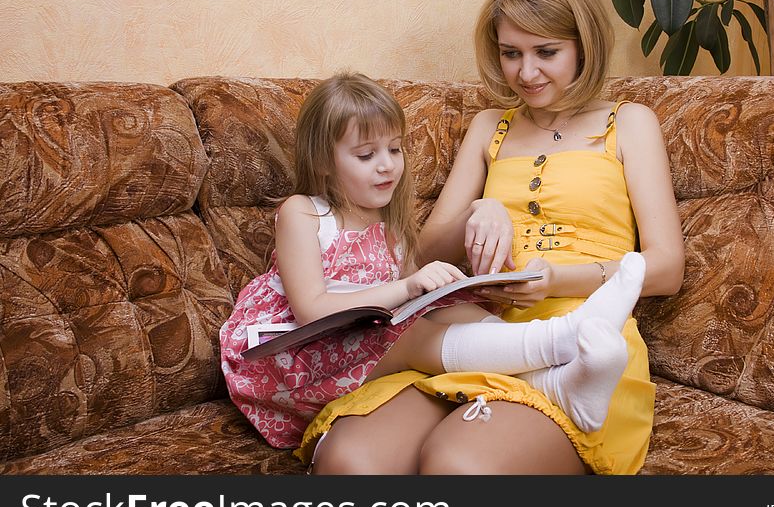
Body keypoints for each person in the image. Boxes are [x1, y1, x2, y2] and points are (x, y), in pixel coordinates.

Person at [300, 0, 684, 475]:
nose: (526, 73)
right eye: (511, 53)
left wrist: (554, 281)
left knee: (459, 466)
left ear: (584, 45)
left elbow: (664, 268)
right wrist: (485, 208)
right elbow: (421, 255)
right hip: (470, 330)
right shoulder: (490, 128)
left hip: (584, 337)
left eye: (547, 52)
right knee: (351, 462)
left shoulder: (629, 124)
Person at [219, 70, 648, 451]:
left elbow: (411, 299)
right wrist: (408, 286)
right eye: (366, 155)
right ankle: (562, 338)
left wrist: (445, 286)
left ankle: (562, 384)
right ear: (324, 162)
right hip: (286, 360)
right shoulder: (303, 213)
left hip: (354, 348)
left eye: (395, 149)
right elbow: (311, 309)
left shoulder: (387, 225)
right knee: (410, 336)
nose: (387, 166)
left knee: (448, 306)